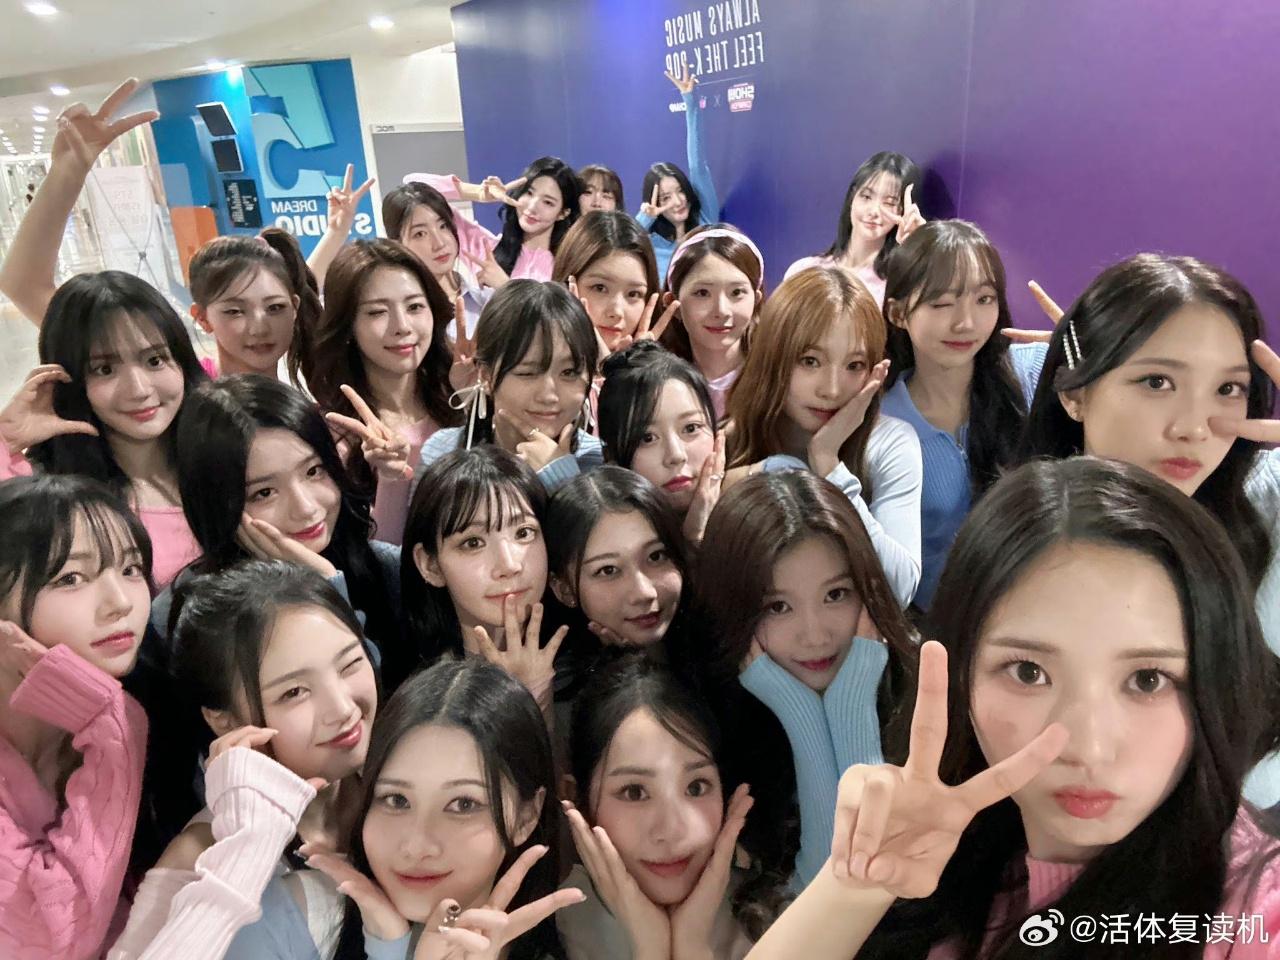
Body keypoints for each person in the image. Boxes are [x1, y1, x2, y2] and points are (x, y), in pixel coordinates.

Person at [746, 457, 1280, 960]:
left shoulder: (1251, 913)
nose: (1089, 747)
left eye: (1147, 680)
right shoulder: (951, 863)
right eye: (1028, 673)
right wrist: (855, 887)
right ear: (962, 677)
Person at [224, 658, 583, 959]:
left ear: (526, 816)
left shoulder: (577, 942)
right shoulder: (291, 917)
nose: (416, 845)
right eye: (396, 800)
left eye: (463, 804)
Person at [108, 560, 374, 960]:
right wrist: (249, 847)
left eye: (350, 663)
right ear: (224, 720)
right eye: (295, 692)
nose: (343, 708)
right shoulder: (203, 853)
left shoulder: (405, 776)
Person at [690, 471, 917, 888]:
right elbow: (832, 896)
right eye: (777, 607)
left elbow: (871, 880)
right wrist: (805, 720)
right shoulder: (706, 735)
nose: (814, 636)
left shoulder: (926, 700)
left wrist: (851, 706)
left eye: (836, 595)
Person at [0, 475, 150, 960]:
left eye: (131, 568)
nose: (121, 602)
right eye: (70, 579)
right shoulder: (112, 714)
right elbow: (51, 941)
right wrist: (114, 724)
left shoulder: (141, 696)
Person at [725, 264, 924, 606]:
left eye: (854, 366)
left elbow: (898, 590)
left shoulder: (890, 442)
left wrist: (829, 465)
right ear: (773, 357)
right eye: (810, 361)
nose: (831, 389)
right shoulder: (726, 440)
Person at [879, 221, 1045, 610]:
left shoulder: (1031, 371)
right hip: (936, 624)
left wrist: (1081, 356)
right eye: (941, 303)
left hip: (1037, 610)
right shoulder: (883, 424)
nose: (966, 322)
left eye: (984, 299)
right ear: (898, 314)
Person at [559, 653, 769, 959]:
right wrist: (651, 947)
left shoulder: (777, 913)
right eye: (634, 792)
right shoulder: (546, 926)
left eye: (696, 787)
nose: (671, 830)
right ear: (578, 802)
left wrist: (692, 944)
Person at [784, 152, 924, 307]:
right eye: (866, 197)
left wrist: (919, 246)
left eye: (889, 203)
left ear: (902, 211)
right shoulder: (803, 270)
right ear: (852, 197)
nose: (874, 211)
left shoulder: (895, 287)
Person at [638, 65, 721, 279]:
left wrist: (690, 101)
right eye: (665, 198)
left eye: (680, 191)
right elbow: (619, 244)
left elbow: (697, 165)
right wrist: (645, 218)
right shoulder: (650, 244)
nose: (677, 202)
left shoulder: (705, 222)